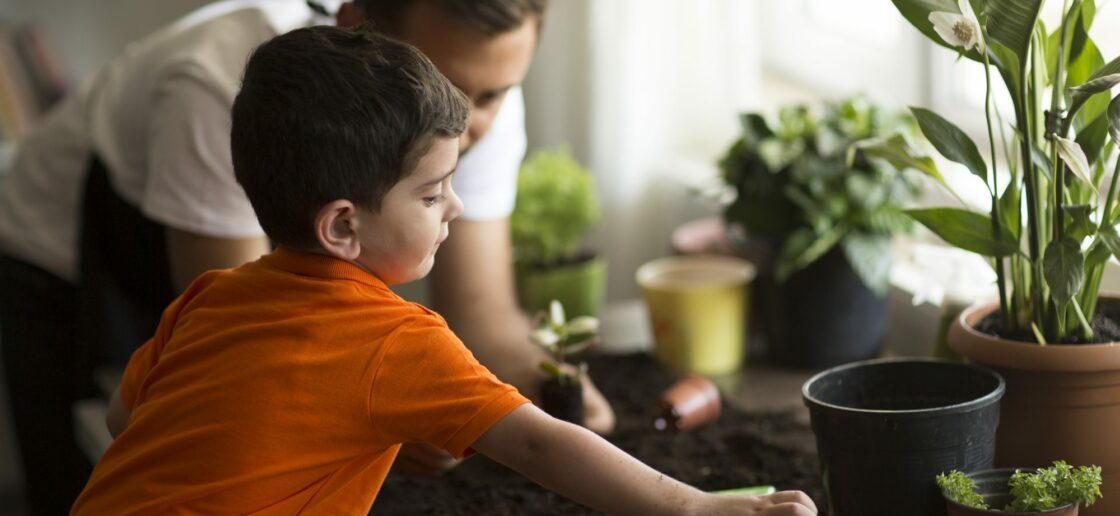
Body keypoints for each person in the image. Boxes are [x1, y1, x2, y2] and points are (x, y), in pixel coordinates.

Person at [69, 26, 816, 515]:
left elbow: (125, 421)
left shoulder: (209, 298)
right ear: (341, 225)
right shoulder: (396, 338)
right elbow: (539, 443)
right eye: (432, 193)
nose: (455, 209)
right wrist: (699, 508)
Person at [0, 1, 611, 512]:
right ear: (356, 26)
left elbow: (480, 314)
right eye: (456, 88)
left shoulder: (458, 110)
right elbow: (260, 356)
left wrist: (551, 390)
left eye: (497, 92)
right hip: (58, 252)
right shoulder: (219, 88)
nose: (476, 122)